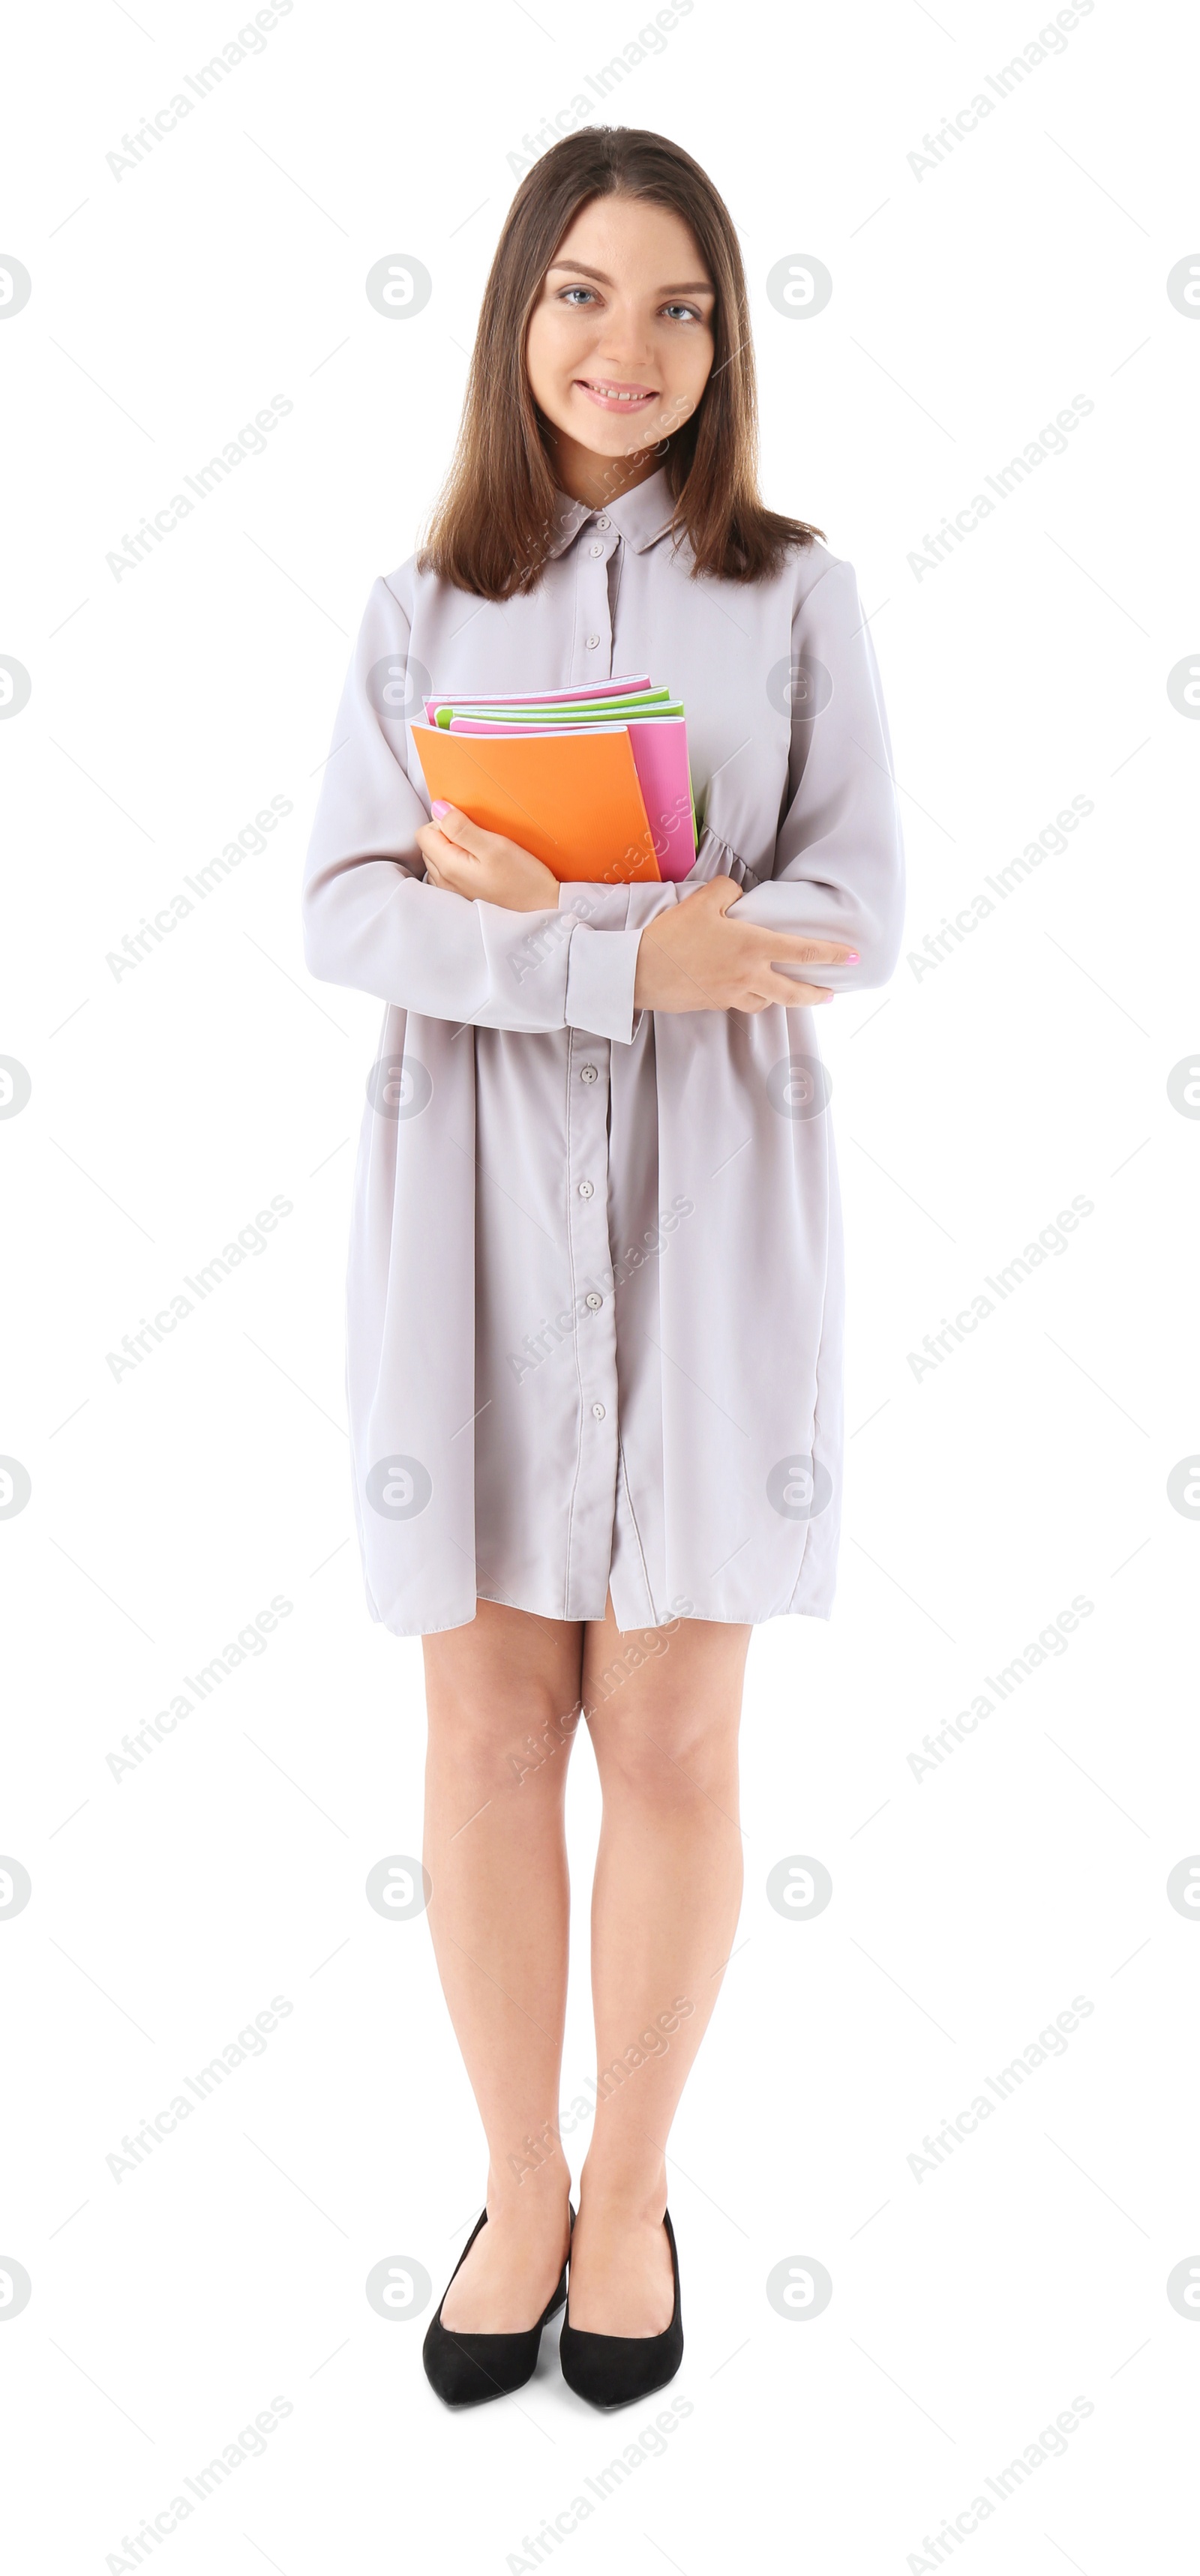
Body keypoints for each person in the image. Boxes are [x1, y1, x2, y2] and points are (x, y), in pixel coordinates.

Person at [302, 123, 904, 2410]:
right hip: (457, 1199)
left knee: (665, 1726)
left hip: (717, 1213)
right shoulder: (413, 607)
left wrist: (532, 922)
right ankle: (514, 2186)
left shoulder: (800, 599)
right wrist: (634, 956)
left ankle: (633, 2182)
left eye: (677, 304)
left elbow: (850, 915)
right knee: (482, 1718)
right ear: (512, 314)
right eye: (580, 294)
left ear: (725, 338)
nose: (624, 347)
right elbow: (343, 910)